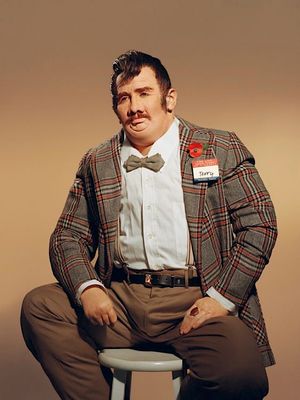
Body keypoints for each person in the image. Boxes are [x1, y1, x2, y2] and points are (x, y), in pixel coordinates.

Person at [21, 50, 278, 400]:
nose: (134, 107)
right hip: (120, 302)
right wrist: (88, 288)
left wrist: (220, 299)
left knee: (240, 373)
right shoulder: (98, 160)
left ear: (169, 99)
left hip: (195, 299)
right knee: (40, 307)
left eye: (143, 94)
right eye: (124, 98)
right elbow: (67, 236)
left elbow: (260, 225)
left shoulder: (220, 147)